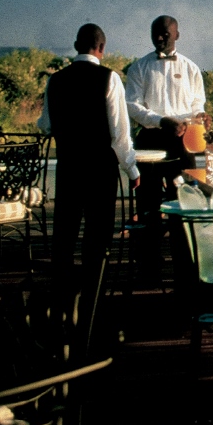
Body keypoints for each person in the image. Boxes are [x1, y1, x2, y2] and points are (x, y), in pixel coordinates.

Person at [37, 23, 139, 271]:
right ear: (102, 48)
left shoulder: (56, 80)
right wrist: (132, 170)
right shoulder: (110, 78)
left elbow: (45, 125)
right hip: (100, 170)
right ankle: (93, 292)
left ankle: (64, 291)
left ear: (75, 47)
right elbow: (119, 135)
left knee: (65, 232)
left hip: (69, 167)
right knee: (98, 233)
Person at [124, 15, 207, 280]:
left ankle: (187, 262)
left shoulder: (191, 68)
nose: (160, 38)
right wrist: (161, 121)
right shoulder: (139, 67)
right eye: (156, 34)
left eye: (165, 34)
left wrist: (200, 117)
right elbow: (133, 106)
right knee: (148, 201)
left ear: (177, 35)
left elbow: (197, 104)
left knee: (185, 197)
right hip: (151, 138)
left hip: (183, 140)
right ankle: (148, 265)